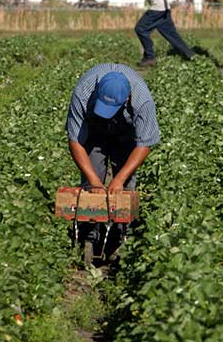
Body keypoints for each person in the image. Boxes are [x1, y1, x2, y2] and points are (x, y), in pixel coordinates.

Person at [66, 64, 159, 257]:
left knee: (125, 189)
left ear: (127, 99)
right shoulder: (83, 92)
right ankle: (90, 235)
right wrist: (94, 181)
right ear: (97, 91)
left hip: (126, 135)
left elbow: (145, 144)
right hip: (94, 132)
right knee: (92, 188)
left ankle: (119, 235)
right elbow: (75, 141)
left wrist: (119, 179)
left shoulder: (142, 101)